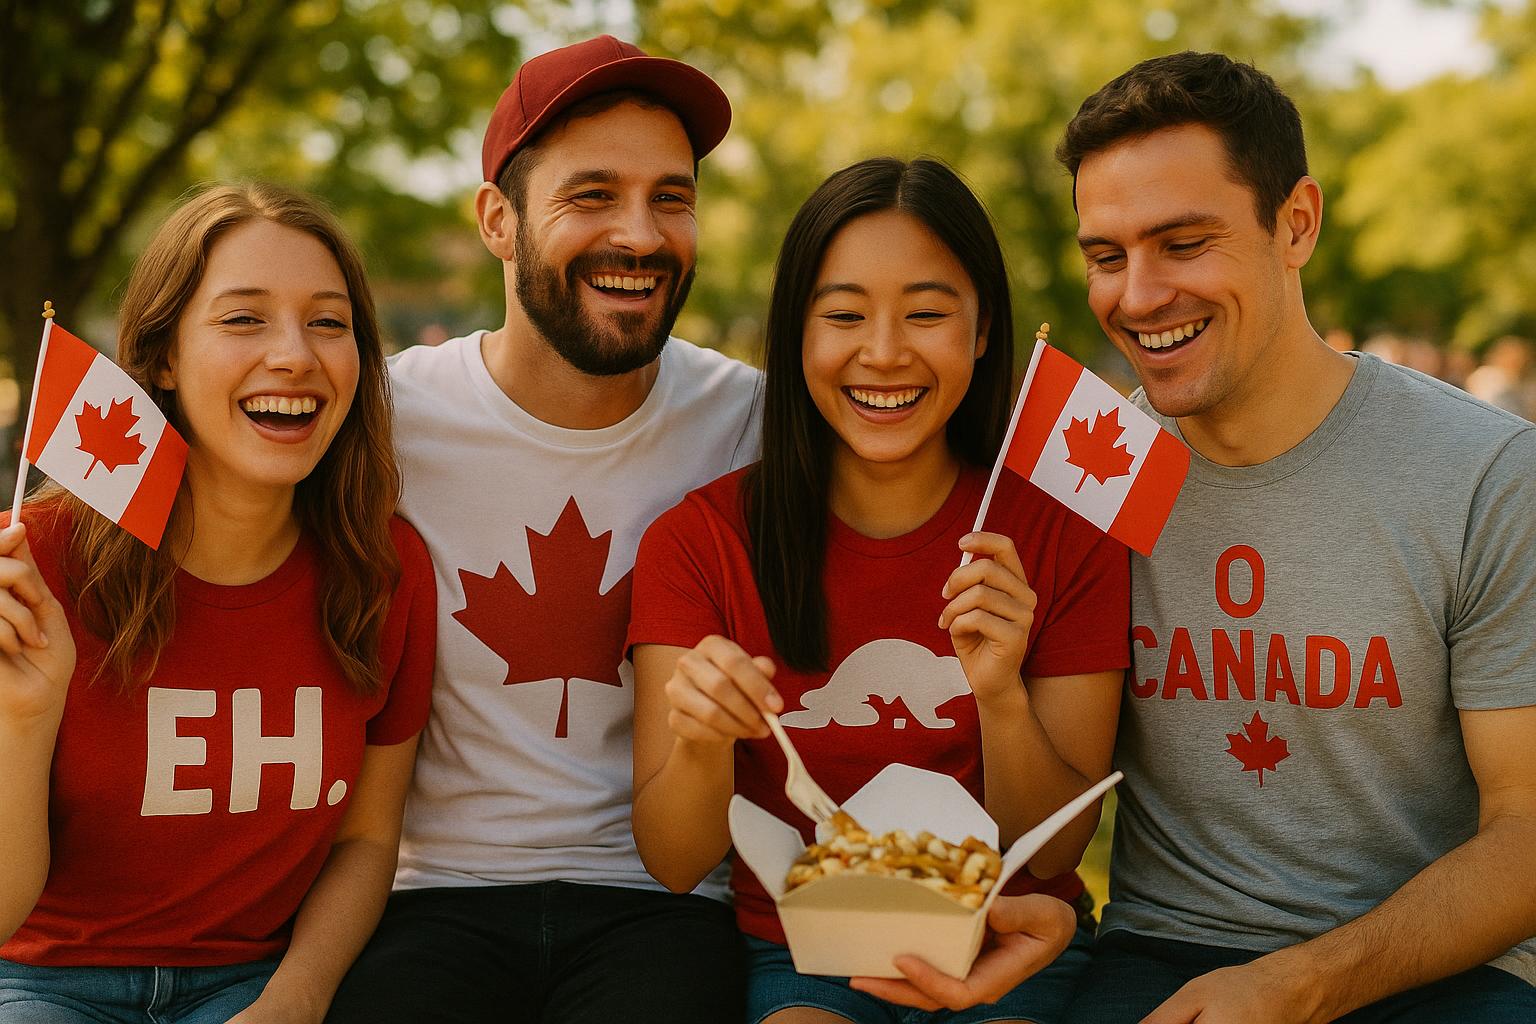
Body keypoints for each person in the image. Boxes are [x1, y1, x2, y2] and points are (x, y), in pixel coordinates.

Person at [1050, 52, 1536, 1023]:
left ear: (1296, 224)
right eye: (1107, 256)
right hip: (1164, 955)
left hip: (1435, 966)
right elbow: (1038, 794)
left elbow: (1526, 834)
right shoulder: (1090, 470)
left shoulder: (1486, 473)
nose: (1137, 297)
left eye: (1183, 243)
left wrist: (1297, 986)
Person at [627, 156, 1131, 1024]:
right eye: (845, 316)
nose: (886, 352)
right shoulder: (699, 543)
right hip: (801, 952)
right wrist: (704, 740)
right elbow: (675, 862)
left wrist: (1002, 695)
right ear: (797, 336)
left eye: (928, 314)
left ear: (981, 332)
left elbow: (1054, 854)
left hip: (1008, 942)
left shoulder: (1057, 533)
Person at [322, 36, 760, 1023]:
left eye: (672, 197)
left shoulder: (752, 424)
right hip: (431, 898)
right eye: (593, 195)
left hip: (662, 899)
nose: (641, 235)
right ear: (498, 221)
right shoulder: (380, 420)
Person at [0, 182, 436, 1023]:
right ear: (162, 357)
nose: (295, 356)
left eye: (328, 322)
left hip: (257, 979)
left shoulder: (385, 569)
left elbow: (368, 840)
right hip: (46, 982)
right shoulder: (37, 563)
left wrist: (294, 1003)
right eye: (243, 320)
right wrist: (23, 716)